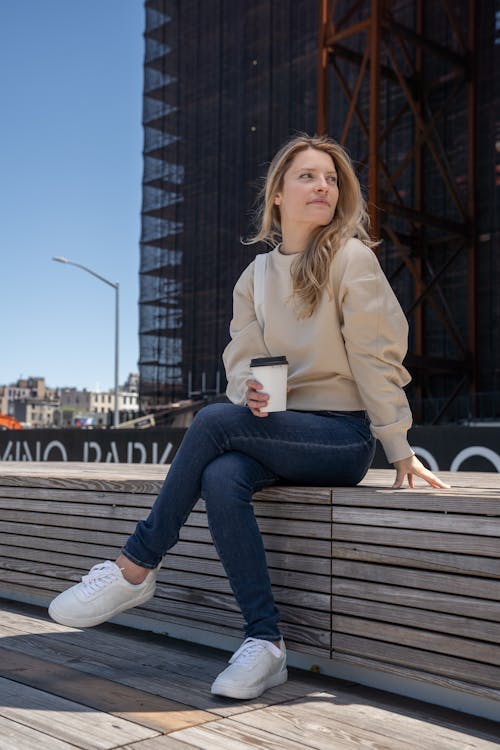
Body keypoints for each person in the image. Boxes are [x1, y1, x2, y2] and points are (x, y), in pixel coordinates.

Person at [48, 134, 449, 700]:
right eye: (308, 176)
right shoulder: (256, 277)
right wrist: (255, 393)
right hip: (281, 430)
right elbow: (245, 360)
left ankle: (135, 566)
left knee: (212, 422)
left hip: (341, 437)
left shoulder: (352, 259)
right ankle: (265, 643)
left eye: (332, 179)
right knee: (221, 474)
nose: (324, 187)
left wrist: (398, 446)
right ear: (278, 195)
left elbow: (374, 354)